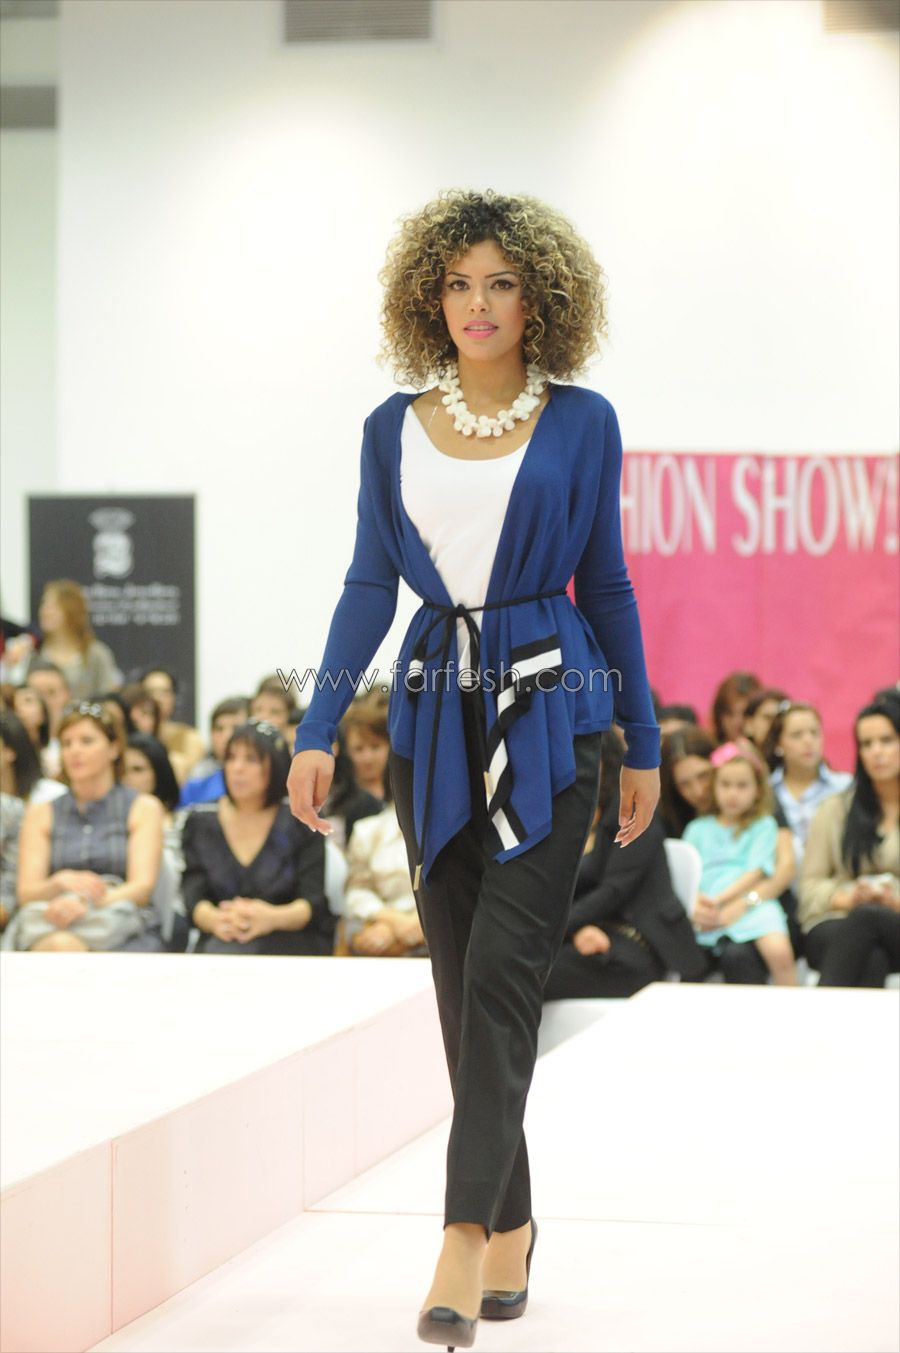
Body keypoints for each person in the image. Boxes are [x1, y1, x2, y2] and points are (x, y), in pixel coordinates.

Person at [286, 189, 661, 1349]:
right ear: (429, 299)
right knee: (459, 990)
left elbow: (608, 584)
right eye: (458, 284)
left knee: (503, 977)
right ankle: (515, 1221)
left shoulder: (583, 421)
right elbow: (368, 584)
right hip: (431, 725)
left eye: (501, 282)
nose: (479, 303)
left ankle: (459, 1236)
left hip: (555, 715)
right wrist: (315, 723)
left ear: (539, 298)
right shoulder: (388, 427)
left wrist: (643, 737)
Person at [544, 727, 707, 998]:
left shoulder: (632, 809)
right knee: (511, 964)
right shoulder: (562, 816)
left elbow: (615, 891)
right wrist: (576, 930)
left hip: (639, 946)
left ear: (604, 759)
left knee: (522, 972)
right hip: (586, 937)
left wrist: (552, 929)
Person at [14, 702, 164, 951]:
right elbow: (26, 892)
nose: (75, 751)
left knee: (66, 947)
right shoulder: (41, 812)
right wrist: (59, 883)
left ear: (114, 748)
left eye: (86, 741)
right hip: (54, 918)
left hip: (118, 920)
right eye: (66, 743)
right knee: (59, 943)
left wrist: (86, 902)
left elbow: (141, 887)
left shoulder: (143, 807)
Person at [182, 721, 332, 955]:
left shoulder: (301, 820)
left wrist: (270, 918)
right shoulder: (200, 819)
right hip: (222, 936)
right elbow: (193, 894)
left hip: (290, 938)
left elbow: (313, 901)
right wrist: (217, 920)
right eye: (231, 758)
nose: (237, 768)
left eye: (251, 759)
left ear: (277, 764)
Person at [660, 725, 798, 975]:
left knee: (768, 952)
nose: (698, 790)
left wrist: (733, 903)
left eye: (703, 776)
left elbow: (781, 869)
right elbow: (683, 874)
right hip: (706, 910)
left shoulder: (763, 821)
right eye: (684, 784)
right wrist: (695, 903)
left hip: (755, 902)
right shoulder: (693, 826)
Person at [799, 699, 899, 985]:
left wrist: (892, 901)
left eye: (886, 740)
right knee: (872, 956)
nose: (876, 752)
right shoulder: (834, 809)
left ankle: (817, 1015)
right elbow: (808, 889)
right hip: (836, 920)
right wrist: (849, 898)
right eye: (866, 744)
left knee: (869, 918)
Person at [21, 580, 122, 700]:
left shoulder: (96, 654)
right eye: (44, 604)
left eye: (54, 606)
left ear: (72, 610)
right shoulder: (35, 653)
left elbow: (110, 698)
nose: (45, 611)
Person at [141, 667, 205, 782]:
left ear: (174, 698)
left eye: (165, 692)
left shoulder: (189, 737)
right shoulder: (130, 737)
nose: (157, 698)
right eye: (151, 692)